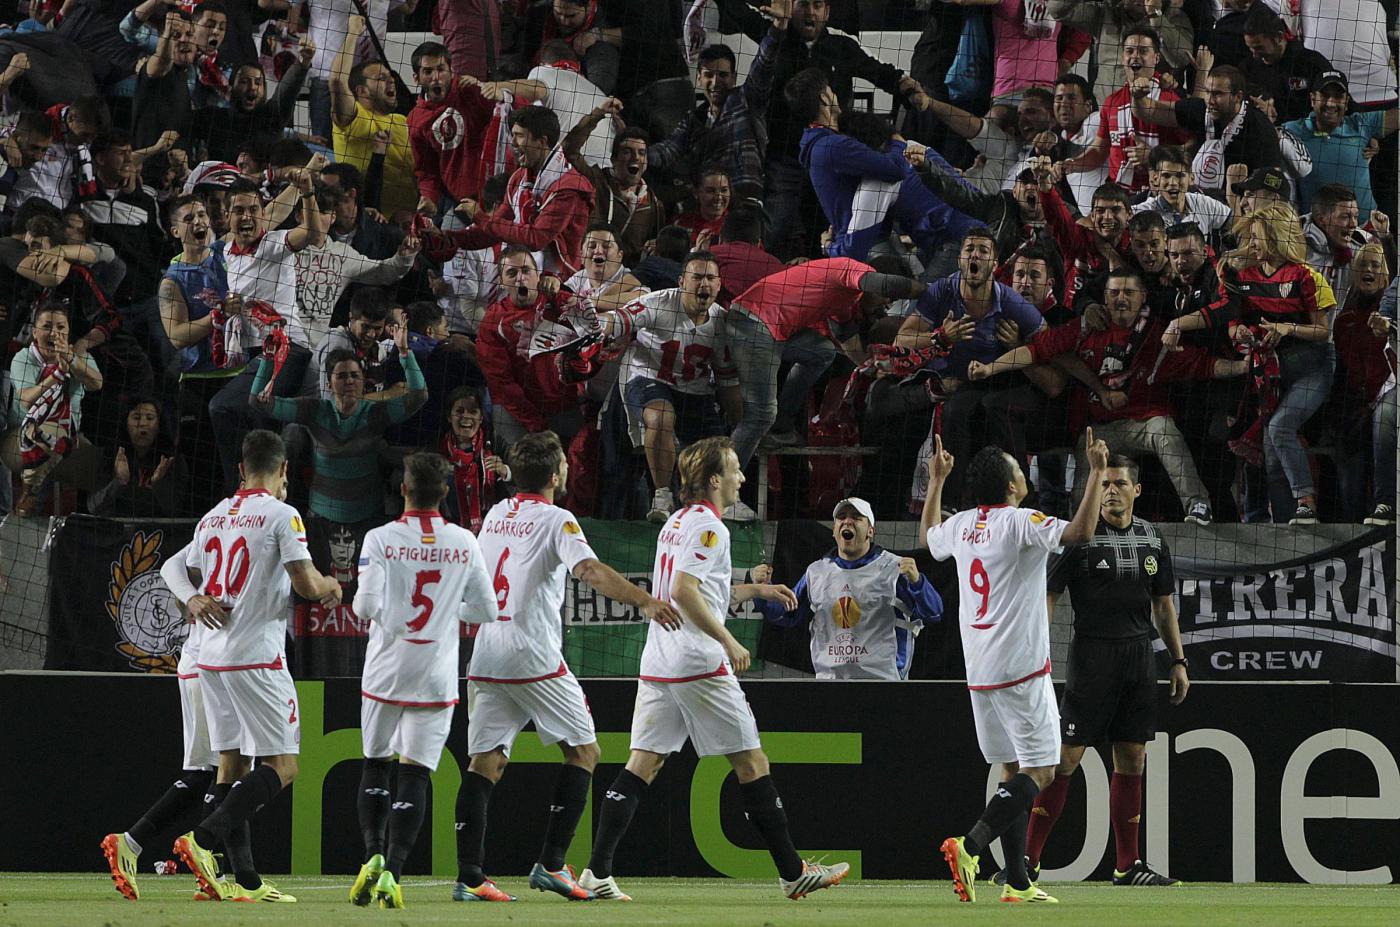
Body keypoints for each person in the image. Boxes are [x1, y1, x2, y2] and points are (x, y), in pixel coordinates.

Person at [577, 436, 850, 901]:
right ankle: (792, 872)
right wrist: (727, 639)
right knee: (750, 761)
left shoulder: (677, 523)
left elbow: (699, 590)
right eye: (734, 469)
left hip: (660, 659)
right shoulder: (711, 529)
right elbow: (684, 591)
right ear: (714, 479)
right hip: (698, 661)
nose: (742, 477)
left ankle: (596, 873)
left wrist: (757, 592)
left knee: (643, 762)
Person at [453, 431, 681, 903]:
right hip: (531, 654)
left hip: (487, 650)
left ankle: (470, 877)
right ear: (557, 475)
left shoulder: (495, 514)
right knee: (584, 751)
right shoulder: (559, 520)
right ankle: (552, 864)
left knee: (485, 762)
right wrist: (646, 600)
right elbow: (591, 572)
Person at [923, 430, 1112, 904]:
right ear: (1011, 485)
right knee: (1043, 770)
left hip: (980, 669)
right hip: (1022, 668)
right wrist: (1095, 473)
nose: (1024, 475)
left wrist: (936, 481)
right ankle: (969, 846)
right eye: (1018, 469)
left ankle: (1018, 881)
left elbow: (929, 539)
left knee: (1011, 770)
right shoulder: (1022, 521)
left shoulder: (963, 523)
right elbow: (1080, 534)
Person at [170, 430, 342, 902]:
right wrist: (330, 584)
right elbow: (305, 583)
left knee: (231, 764)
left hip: (211, 657)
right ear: (283, 470)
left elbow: (199, 579)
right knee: (283, 765)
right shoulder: (283, 515)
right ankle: (201, 841)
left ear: (242, 468)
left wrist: (196, 599)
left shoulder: (212, 518)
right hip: (256, 657)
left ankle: (242, 880)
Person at [1007, 455, 1188, 888]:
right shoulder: (1080, 538)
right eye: (1105, 483)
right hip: (1091, 660)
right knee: (1064, 761)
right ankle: (1027, 863)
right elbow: (1047, 596)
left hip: (1138, 661)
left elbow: (1163, 606)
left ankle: (1128, 865)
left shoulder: (1152, 540)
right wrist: (1037, 652)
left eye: (1119, 483)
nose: (1111, 491)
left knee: (1133, 757)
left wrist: (1178, 661)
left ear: (1136, 490)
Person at [972, 266, 1247, 523]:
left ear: (1143, 297)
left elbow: (1204, 365)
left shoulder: (1157, 336)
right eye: (1114, 293)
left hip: (1144, 423)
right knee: (1084, 479)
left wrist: (1244, 366)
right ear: (1104, 297)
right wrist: (989, 368)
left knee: (1166, 431)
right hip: (1099, 430)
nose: (1121, 299)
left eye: (1128, 293)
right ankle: (1079, 526)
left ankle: (1198, 505)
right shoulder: (1083, 328)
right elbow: (1035, 350)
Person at [348, 453, 498, 909]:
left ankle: (372, 855)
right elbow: (487, 610)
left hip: (386, 671)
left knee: (376, 764)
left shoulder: (380, 538)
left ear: (404, 489)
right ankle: (393, 872)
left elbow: (363, 607)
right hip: (434, 674)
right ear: (446, 493)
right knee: (415, 775)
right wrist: (451, 609)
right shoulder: (464, 541)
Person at [1164, 203, 1337, 524]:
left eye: (1258, 238)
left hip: (1313, 367)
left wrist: (1287, 328)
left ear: (1277, 237)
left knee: (1279, 428)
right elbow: (1230, 318)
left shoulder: (1307, 276)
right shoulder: (1245, 277)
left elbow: (1323, 332)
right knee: (1270, 456)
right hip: (1273, 372)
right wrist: (1236, 330)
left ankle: (1306, 503)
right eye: (1252, 238)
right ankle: (1287, 528)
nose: (1252, 244)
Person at [727, 256, 927, 469]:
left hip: (769, 330)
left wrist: (872, 367)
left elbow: (846, 339)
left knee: (822, 351)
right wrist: (935, 290)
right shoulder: (852, 269)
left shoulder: (846, 297)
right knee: (761, 415)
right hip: (753, 324)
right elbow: (889, 284)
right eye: (889, 298)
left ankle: (782, 428)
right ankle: (717, 490)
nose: (887, 304)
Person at [895, 229, 1045, 507]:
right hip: (953, 382)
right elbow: (902, 338)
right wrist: (940, 337)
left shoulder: (1011, 302)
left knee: (988, 409)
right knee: (952, 410)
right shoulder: (941, 291)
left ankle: (1021, 502)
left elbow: (1047, 345)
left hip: (995, 382)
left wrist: (1018, 344)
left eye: (983, 250)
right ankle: (950, 506)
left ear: (995, 263)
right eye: (969, 249)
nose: (975, 254)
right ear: (960, 260)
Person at [102, 541, 216, 902]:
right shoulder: (225, 524)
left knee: (212, 773)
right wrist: (192, 599)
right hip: (209, 665)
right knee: (223, 771)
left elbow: (174, 568)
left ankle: (207, 866)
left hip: (213, 664)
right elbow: (171, 567)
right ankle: (137, 844)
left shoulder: (228, 527)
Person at [593, 250, 738, 523]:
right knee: (660, 417)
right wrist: (598, 324)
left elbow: (728, 383)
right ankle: (661, 495)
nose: (703, 284)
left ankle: (726, 504)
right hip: (647, 377)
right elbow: (619, 319)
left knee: (720, 448)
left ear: (719, 285)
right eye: (697, 277)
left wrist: (741, 423)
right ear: (682, 281)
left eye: (710, 278)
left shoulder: (722, 324)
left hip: (693, 389)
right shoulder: (659, 303)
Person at [761, 497, 942, 679]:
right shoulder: (816, 572)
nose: (847, 521)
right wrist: (761, 590)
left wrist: (918, 582)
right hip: (830, 683)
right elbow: (787, 614)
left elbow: (933, 613)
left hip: (882, 683)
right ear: (834, 531)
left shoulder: (893, 569)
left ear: (870, 531)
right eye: (841, 517)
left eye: (856, 517)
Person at [646, 6, 788, 204]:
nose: (715, 82)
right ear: (698, 79)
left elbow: (764, 65)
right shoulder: (693, 120)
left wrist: (777, 28)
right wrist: (635, 152)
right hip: (709, 207)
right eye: (708, 75)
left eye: (722, 75)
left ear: (734, 78)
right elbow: (668, 151)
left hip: (745, 202)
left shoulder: (746, 100)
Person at [444, 106, 597, 277]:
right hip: (522, 276)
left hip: (559, 283)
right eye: (513, 135)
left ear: (542, 142)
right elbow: (492, 230)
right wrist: (449, 239)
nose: (513, 143)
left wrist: (480, 217)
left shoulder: (570, 188)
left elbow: (536, 238)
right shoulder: (519, 178)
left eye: (520, 136)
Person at [1057, 27, 1191, 194]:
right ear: (1123, 58)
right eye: (1129, 51)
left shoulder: (1170, 99)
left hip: (1156, 196)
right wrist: (1073, 164)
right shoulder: (1112, 102)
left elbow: (1193, 145)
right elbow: (1100, 150)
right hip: (1120, 198)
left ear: (1156, 58)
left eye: (1143, 51)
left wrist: (1155, 156)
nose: (1135, 55)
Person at [475, 247, 586, 447]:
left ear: (538, 276)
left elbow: (589, 324)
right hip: (518, 409)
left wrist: (563, 290)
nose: (520, 278)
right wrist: (537, 425)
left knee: (581, 455)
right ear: (502, 281)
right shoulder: (493, 322)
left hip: (564, 403)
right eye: (512, 273)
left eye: (526, 271)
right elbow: (502, 384)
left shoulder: (559, 302)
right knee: (523, 463)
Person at [3, 303, 104, 517]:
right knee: (51, 432)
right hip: (19, 438)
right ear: (35, 332)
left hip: (68, 439)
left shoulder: (77, 356)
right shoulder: (24, 358)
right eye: (47, 326)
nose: (54, 333)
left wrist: (70, 360)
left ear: (67, 333)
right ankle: (30, 492)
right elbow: (28, 400)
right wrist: (57, 374)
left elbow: (97, 383)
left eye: (60, 327)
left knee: (99, 464)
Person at [1127, 65, 1282, 198]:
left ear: (1238, 96)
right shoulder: (1200, 109)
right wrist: (1137, 96)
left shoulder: (1261, 128)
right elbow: (1149, 111)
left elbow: (1274, 181)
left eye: (1217, 94)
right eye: (1208, 92)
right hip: (1195, 202)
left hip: (1238, 208)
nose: (1210, 100)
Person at [1332, 243, 1395, 525]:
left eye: (1375, 265)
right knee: (1349, 470)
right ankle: (1352, 532)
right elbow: (1341, 373)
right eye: (1363, 265)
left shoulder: (1390, 315)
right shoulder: (1343, 320)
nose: (1369, 270)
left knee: (1383, 423)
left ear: (1385, 275)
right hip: (1354, 410)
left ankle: (1386, 505)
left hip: (1388, 401)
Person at [330, 14, 416, 218]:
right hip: (373, 224)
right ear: (362, 91)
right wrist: (352, 33)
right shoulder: (354, 119)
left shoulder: (403, 121)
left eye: (391, 77)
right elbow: (336, 81)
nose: (391, 82)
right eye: (380, 78)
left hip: (413, 225)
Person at [1283, 70, 1399, 216]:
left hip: (1367, 230)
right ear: (1313, 99)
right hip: (1315, 231)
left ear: (1347, 102)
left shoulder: (1361, 124)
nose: (1331, 103)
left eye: (1338, 97)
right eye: (1324, 96)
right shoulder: (1291, 131)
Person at [563, 109, 666, 267]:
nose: (636, 157)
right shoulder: (594, 180)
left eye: (641, 153)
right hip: (585, 273)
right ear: (613, 159)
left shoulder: (654, 206)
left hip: (624, 284)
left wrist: (654, 246)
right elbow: (570, 150)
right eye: (627, 152)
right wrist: (596, 115)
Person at [89, 396, 185, 518]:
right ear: (125, 423)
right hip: (117, 531)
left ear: (159, 425)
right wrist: (119, 482)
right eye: (136, 417)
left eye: (150, 418)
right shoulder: (113, 455)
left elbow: (175, 511)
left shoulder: (172, 459)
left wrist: (159, 484)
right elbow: (93, 506)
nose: (142, 424)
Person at [1239, 7, 1335, 125]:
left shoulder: (1313, 64)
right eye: (1250, 48)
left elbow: (1334, 105)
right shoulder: (1248, 68)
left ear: (1279, 37)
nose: (1254, 55)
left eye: (1259, 47)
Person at [437, 386, 511, 533]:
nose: (466, 417)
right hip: (448, 527)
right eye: (459, 411)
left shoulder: (495, 443)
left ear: (481, 417)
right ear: (449, 417)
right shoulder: (438, 449)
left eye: (473, 411)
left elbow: (522, 474)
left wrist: (505, 470)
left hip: (493, 527)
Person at [674, 167, 733, 244]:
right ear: (696, 192)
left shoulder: (738, 226)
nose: (719, 197)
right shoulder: (682, 224)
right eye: (711, 191)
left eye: (724, 190)